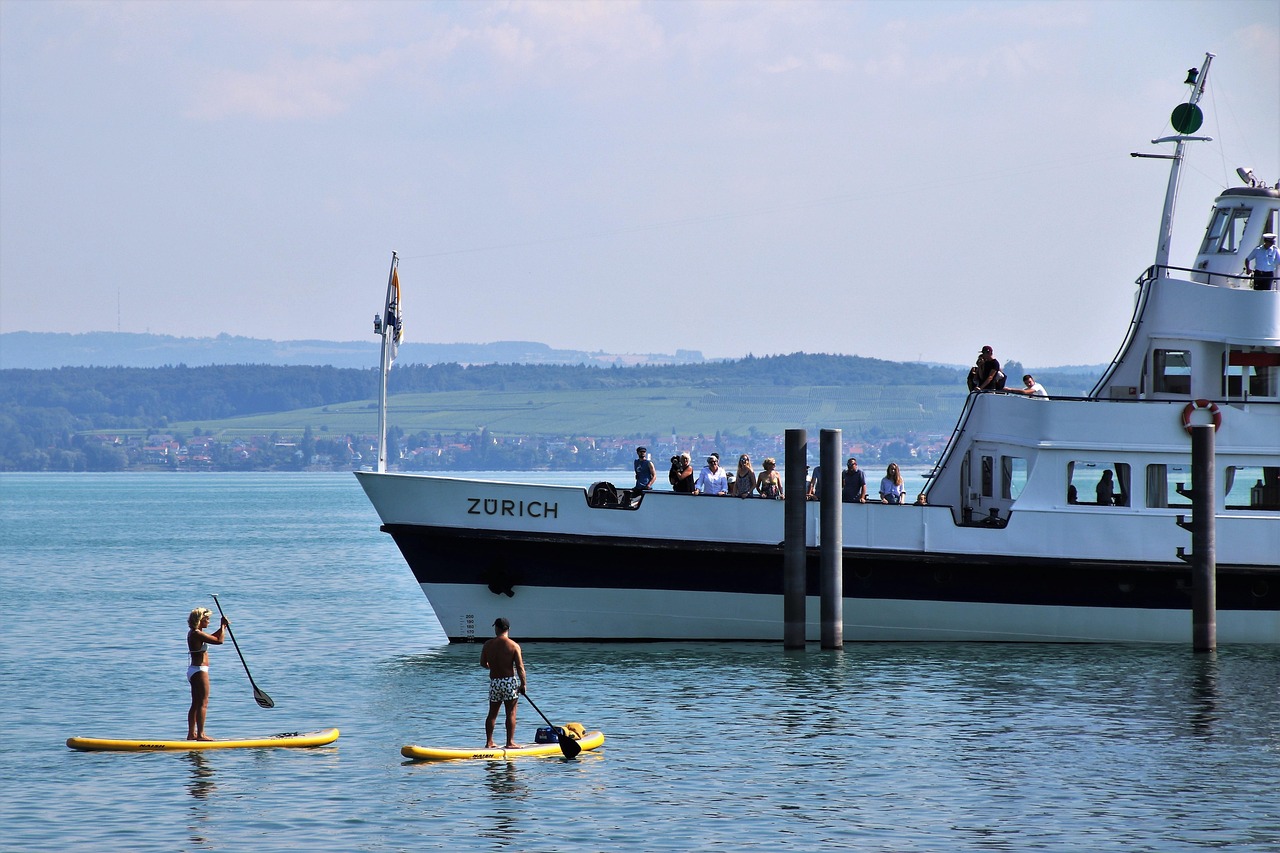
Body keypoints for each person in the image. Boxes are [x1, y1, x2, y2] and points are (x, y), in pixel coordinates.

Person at [481, 617, 527, 749]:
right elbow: (520, 667)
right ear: (508, 629)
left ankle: (489, 742)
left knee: (492, 713)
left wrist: (494, 666)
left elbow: (483, 664)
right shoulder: (513, 645)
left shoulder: (488, 644)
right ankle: (510, 742)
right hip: (508, 682)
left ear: (496, 628)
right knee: (511, 712)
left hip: (494, 682)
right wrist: (523, 684)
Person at [187, 606, 228, 741]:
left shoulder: (194, 632)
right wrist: (222, 626)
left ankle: (192, 734)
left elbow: (212, 637)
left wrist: (223, 628)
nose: (209, 621)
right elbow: (219, 640)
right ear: (200, 619)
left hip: (194, 670)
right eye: (207, 619)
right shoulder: (197, 633)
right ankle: (201, 735)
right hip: (200, 671)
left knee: (195, 703)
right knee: (203, 703)